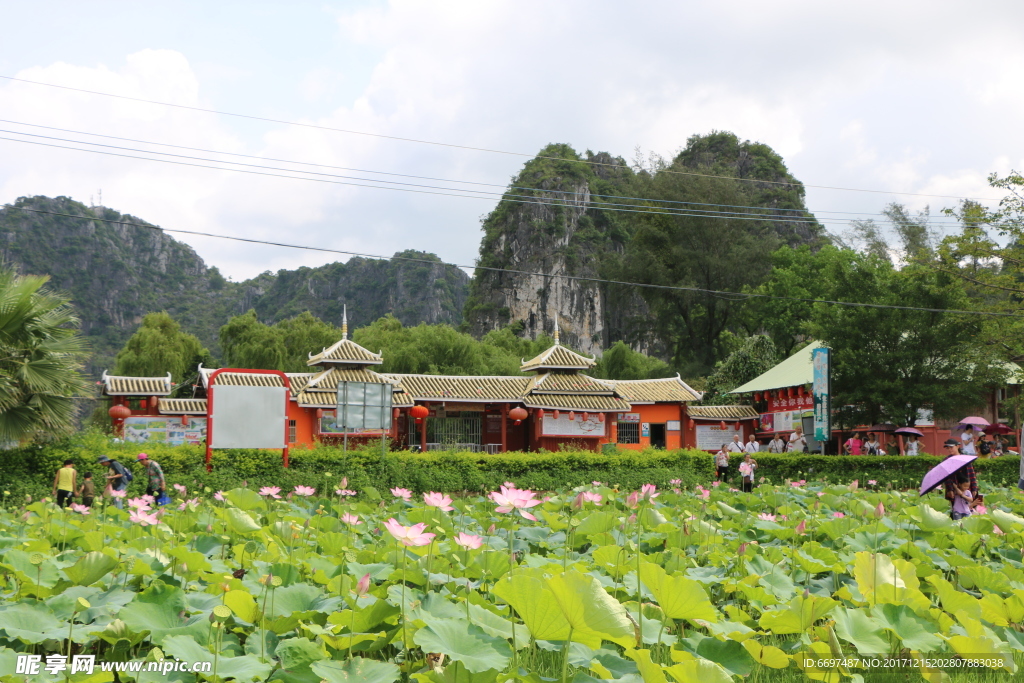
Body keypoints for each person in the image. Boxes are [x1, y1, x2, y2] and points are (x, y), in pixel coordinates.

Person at [942, 438, 978, 510]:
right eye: (948, 448)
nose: (949, 450)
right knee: (955, 510)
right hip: (955, 488)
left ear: (957, 446)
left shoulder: (965, 459)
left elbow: (971, 474)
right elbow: (947, 477)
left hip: (967, 488)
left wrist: (974, 488)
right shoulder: (947, 460)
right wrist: (950, 489)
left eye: (951, 447)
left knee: (969, 509)